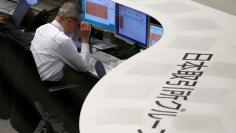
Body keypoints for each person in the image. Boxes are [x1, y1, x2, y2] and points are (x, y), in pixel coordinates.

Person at [31, 1, 91, 83]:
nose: (77, 27)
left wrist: (75, 35)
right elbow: (83, 67)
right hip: (48, 86)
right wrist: (85, 39)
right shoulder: (61, 40)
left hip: (33, 80)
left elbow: (67, 50)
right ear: (69, 21)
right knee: (86, 81)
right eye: (77, 24)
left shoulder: (41, 28)